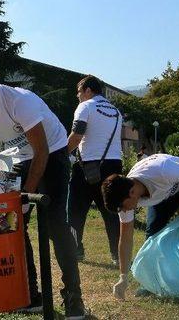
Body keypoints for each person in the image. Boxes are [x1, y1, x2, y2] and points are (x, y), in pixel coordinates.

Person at [0, 49, 87, 319]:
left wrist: (26, 197)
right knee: (13, 224)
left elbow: (41, 150)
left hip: (52, 152)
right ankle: (31, 295)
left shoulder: (19, 101)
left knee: (54, 225)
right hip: (21, 157)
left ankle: (74, 298)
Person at [100, 153, 179, 300]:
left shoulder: (164, 170)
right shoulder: (124, 197)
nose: (124, 211)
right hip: (161, 194)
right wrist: (123, 277)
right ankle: (152, 284)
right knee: (153, 234)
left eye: (123, 207)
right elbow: (126, 239)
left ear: (132, 193)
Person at [67, 75, 121, 265]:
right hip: (114, 164)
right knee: (112, 212)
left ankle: (75, 250)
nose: (78, 96)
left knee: (75, 210)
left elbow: (77, 135)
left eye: (79, 92)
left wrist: (61, 154)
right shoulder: (116, 111)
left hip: (87, 166)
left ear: (88, 90)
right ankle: (117, 254)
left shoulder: (86, 106)